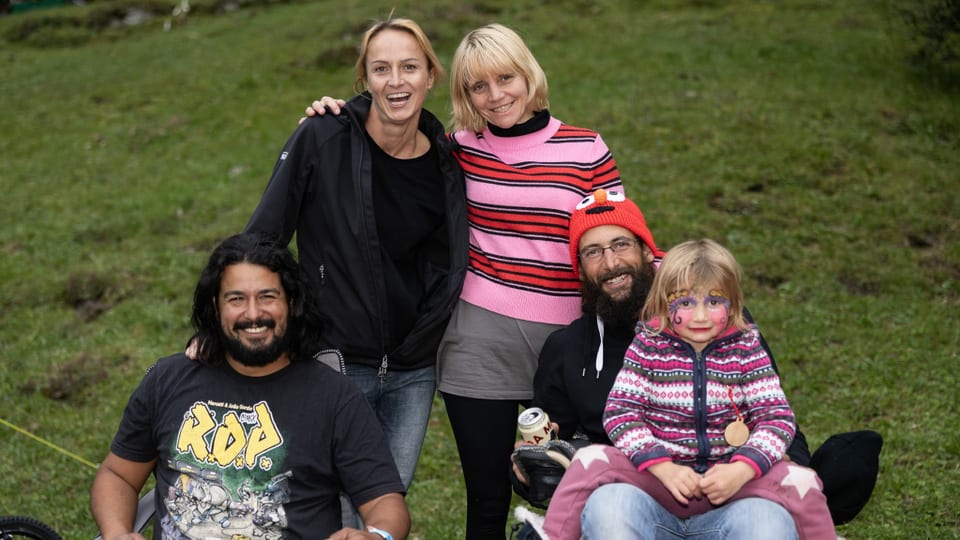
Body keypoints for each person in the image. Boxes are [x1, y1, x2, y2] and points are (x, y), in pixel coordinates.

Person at [307, 23, 623, 539]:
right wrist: (338, 114)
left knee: (586, 484)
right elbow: (386, 141)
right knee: (487, 497)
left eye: (505, 79)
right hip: (479, 340)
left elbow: (621, 240)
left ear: (528, 75)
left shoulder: (585, 149)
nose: (495, 96)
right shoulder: (453, 151)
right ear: (464, 94)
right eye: (479, 86)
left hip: (573, 342)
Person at [511, 190, 880, 539]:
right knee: (608, 502)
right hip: (641, 489)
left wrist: (754, 468)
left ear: (646, 251)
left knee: (772, 514)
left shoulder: (733, 333)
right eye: (593, 252)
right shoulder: (569, 347)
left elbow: (777, 417)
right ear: (579, 269)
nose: (610, 262)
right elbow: (554, 446)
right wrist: (531, 470)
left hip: (733, 489)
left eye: (621, 244)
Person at [243, 16, 469, 528]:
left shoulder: (447, 162)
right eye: (381, 68)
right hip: (337, 360)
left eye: (409, 67)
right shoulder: (322, 139)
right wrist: (223, 326)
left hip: (414, 367)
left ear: (430, 76)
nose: (396, 81)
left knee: (386, 506)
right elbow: (262, 239)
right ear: (364, 79)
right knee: (334, 505)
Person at [90, 232, 409, 540]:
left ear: (292, 302)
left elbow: (385, 501)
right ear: (216, 307)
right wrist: (118, 532)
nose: (253, 314)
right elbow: (118, 475)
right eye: (236, 299)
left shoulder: (335, 397)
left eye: (267, 297)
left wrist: (378, 535)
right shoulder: (168, 379)